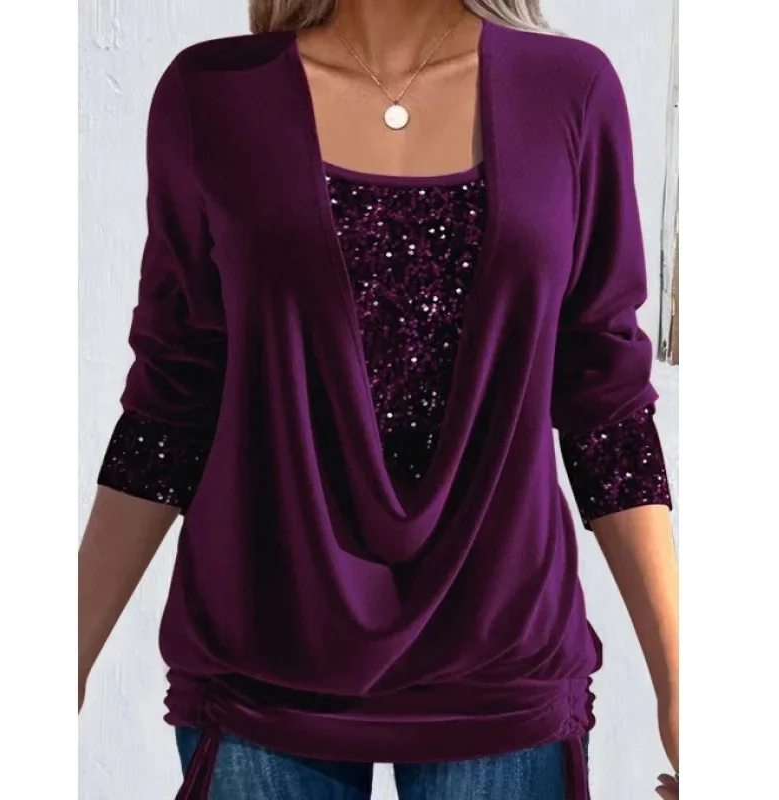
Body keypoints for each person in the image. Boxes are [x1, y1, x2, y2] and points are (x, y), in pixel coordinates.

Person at [78, 1, 680, 798]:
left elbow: (606, 404)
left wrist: (683, 687)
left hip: (502, 667)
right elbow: (172, 398)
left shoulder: (570, 90)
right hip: (264, 663)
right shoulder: (214, 93)